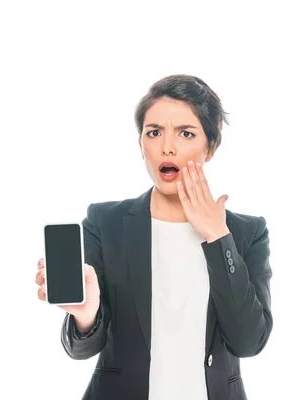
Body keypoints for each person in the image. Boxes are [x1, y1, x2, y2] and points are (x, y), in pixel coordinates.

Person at [35, 74, 273, 400]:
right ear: (140, 143)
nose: (167, 147)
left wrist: (218, 236)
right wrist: (86, 314)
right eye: (154, 132)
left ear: (211, 146)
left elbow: (249, 342)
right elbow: (82, 350)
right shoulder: (105, 223)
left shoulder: (247, 233)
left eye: (186, 133)